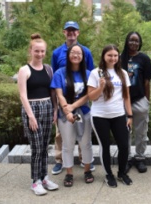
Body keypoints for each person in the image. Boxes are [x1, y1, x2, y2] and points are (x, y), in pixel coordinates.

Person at [51, 21, 95, 175]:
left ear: (78, 32)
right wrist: (64, 109)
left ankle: (86, 162)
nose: (71, 33)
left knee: (85, 140)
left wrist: (73, 106)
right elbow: (57, 86)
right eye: (68, 30)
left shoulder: (86, 52)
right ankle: (60, 163)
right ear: (64, 32)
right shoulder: (57, 53)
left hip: (83, 108)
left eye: (74, 30)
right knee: (63, 140)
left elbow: (91, 85)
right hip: (65, 108)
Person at [18, 33, 59, 196]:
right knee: (36, 147)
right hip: (32, 110)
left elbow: (53, 92)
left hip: (48, 107)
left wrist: (55, 109)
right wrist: (31, 116)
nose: (40, 54)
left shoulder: (48, 69)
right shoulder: (24, 70)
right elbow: (22, 95)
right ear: (31, 51)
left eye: (42, 51)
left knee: (44, 147)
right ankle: (35, 181)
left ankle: (44, 178)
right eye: (37, 51)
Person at [88, 45, 133, 188]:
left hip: (119, 115)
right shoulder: (96, 73)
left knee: (124, 146)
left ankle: (121, 173)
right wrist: (100, 87)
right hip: (100, 116)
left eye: (115, 55)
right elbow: (91, 97)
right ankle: (108, 174)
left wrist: (130, 115)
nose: (113, 58)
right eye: (110, 55)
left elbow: (126, 97)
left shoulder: (123, 73)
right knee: (105, 146)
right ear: (103, 56)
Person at [121, 32, 151, 173]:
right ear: (127, 41)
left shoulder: (144, 59)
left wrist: (147, 101)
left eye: (136, 41)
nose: (133, 43)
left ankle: (140, 158)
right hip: (122, 101)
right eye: (131, 40)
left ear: (140, 43)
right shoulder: (120, 58)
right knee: (125, 132)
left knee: (141, 132)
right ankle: (126, 158)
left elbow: (147, 82)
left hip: (140, 100)